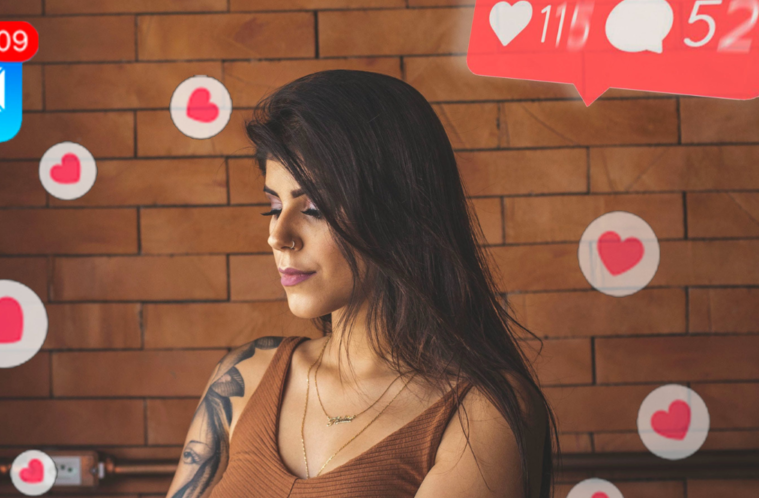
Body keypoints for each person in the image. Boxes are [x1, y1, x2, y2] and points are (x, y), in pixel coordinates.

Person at [165, 70, 559, 498]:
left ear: (399, 210)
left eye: (313, 207)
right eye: (274, 206)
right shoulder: (244, 377)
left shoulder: (482, 411)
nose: (278, 235)